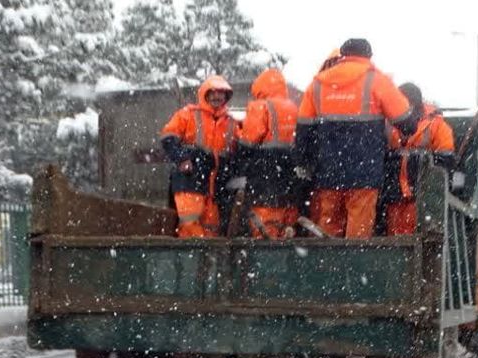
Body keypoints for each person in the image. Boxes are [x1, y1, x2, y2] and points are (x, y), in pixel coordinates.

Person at [297, 39, 418, 238]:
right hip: (364, 173)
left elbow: (303, 130)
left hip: (328, 173)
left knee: (327, 229)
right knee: (358, 236)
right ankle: (354, 265)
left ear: (342, 55)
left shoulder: (318, 83)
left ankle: (325, 266)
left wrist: (304, 162)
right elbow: (406, 122)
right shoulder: (376, 80)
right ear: (368, 56)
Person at [159, 76, 238, 237]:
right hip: (190, 181)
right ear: (205, 95)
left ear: (226, 96)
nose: (217, 97)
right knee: (190, 225)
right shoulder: (188, 114)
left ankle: (207, 261)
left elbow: (238, 152)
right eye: (213, 93)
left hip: (216, 189)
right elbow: (168, 138)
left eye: (221, 93)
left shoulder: (232, 123)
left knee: (211, 231)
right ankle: (191, 260)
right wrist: (182, 158)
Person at [384, 83, 455, 235]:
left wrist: (417, 161)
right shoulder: (387, 124)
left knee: (415, 236)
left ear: (416, 103)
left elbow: (446, 161)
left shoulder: (437, 125)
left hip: (422, 197)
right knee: (395, 238)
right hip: (394, 197)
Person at [237, 68, 299, 238]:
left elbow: (248, 141)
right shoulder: (293, 107)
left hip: (265, 172)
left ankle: (266, 256)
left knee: (265, 224)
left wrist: (239, 154)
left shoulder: (260, 106)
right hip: (288, 173)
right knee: (287, 219)